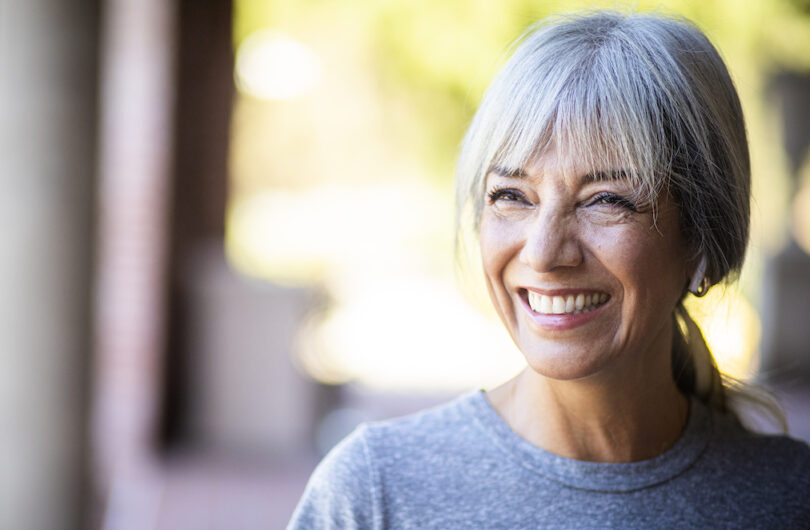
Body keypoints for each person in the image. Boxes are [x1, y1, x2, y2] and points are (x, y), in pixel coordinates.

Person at [288, 10, 810, 529]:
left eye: (606, 199)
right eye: (512, 196)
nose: (542, 252)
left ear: (700, 239)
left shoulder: (790, 498)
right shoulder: (374, 494)